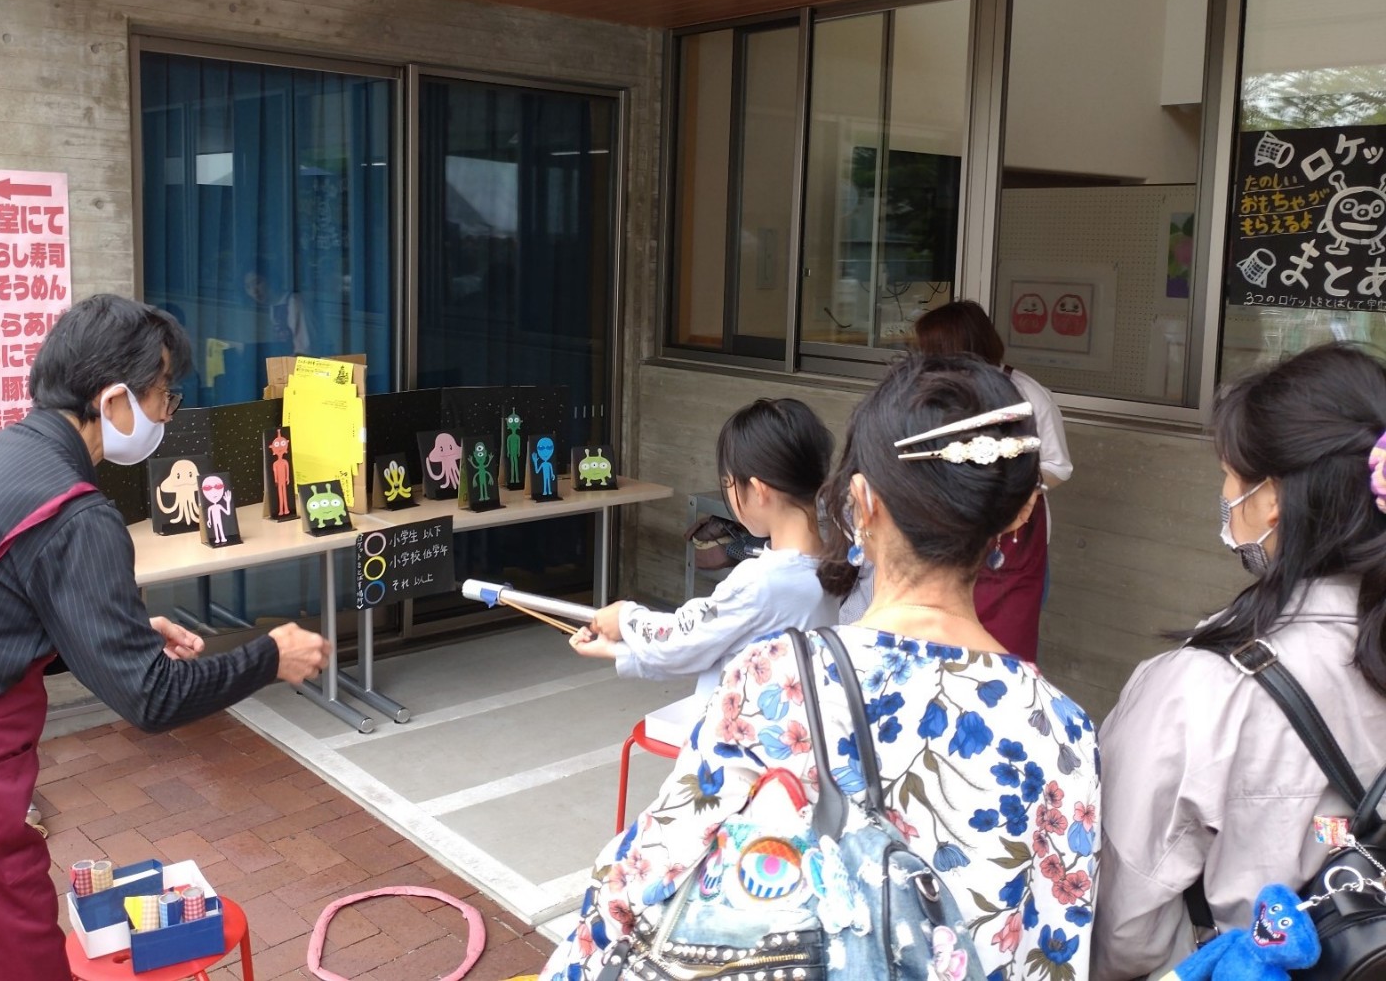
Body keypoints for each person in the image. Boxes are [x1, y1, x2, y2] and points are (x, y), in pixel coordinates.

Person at [0, 295, 332, 981]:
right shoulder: (76, 512)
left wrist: (107, 626)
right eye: (163, 396)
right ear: (114, 401)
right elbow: (152, 698)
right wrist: (270, 655)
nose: (166, 413)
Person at [542, 355, 1101, 981]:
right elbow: (1055, 951)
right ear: (1020, 514)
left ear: (860, 502)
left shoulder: (770, 676)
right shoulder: (1066, 733)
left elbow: (645, 875)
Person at [1094, 342, 1386, 980]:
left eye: (1230, 475)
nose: (1226, 495)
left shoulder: (1202, 688)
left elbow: (1122, 926)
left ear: (1272, 497)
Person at [567, 398, 844, 701]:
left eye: (728, 482)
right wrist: (616, 649)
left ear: (758, 489)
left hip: (739, 741)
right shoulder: (835, 562)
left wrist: (625, 618)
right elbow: (708, 648)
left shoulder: (763, 581)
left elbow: (682, 639)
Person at [913, 300, 1072, 660]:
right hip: (945, 537)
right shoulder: (932, 393)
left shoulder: (1028, 394)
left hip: (1012, 541)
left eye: (929, 350)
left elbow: (1059, 466)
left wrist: (1004, 485)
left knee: (1003, 652)